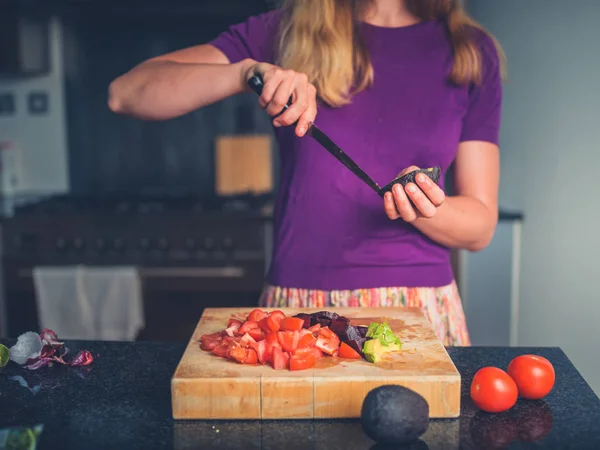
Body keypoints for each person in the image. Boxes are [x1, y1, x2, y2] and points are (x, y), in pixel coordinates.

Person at [108, 0, 505, 346]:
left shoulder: (470, 52)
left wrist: (423, 205)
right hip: (299, 306)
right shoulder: (280, 32)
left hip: (423, 313)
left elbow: (480, 227)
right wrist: (245, 72)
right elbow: (126, 93)